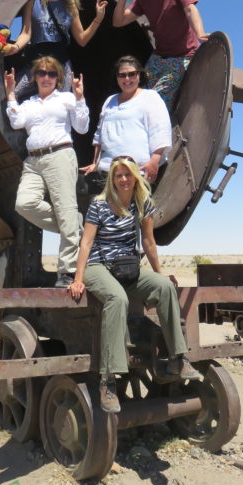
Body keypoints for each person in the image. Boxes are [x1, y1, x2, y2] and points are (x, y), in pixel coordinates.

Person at [68, 157, 201, 413]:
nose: (123, 179)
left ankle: (178, 359)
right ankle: (108, 379)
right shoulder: (99, 205)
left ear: (135, 177)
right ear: (112, 179)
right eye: (118, 175)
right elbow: (86, 243)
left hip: (127, 267)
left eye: (127, 175)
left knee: (163, 287)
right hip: (98, 267)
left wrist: (160, 273)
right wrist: (78, 277)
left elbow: (149, 243)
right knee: (118, 299)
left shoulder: (143, 204)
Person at [5, 56, 89, 288]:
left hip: (59, 155)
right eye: (41, 73)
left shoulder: (67, 98)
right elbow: (16, 122)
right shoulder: (29, 103)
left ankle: (67, 271)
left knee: (65, 209)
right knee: (24, 204)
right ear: (35, 77)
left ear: (58, 78)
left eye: (52, 74)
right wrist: (11, 93)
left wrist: (80, 97)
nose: (46, 77)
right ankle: (73, 224)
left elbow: (82, 127)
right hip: (33, 161)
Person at [113, 0, 210, 109]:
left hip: (182, 56)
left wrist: (200, 33)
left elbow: (189, 9)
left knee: (155, 102)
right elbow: (118, 21)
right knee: (136, 91)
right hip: (159, 57)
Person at [5, 0, 106, 97]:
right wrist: (15, 47)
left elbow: (82, 39)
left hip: (61, 65)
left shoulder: (70, 7)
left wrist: (98, 18)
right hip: (37, 62)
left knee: (62, 103)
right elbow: (26, 33)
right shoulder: (33, 2)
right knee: (12, 93)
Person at [80, 55, 171, 184]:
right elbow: (100, 136)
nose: (127, 79)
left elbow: (160, 131)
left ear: (139, 75)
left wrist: (154, 162)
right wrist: (96, 163)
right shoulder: (110, 101)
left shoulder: (150, 97)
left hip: (138, 172)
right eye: (122, 75)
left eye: (131, 74)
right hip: (109, 173)